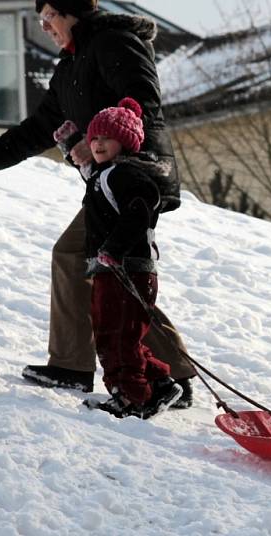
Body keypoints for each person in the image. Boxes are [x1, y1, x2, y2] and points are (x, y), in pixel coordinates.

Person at [0, 0, 195, 406]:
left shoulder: (113, 42)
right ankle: (173, 373)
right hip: (110, 180)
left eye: (50, 15)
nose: (45, 26)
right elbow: (41, 126)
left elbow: (142, 100)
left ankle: (74, 365)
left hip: (136, 175)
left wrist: (102, 138)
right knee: (121, 270)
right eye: (41, 18)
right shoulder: (71, 64)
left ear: (73, 14)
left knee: (82, 258)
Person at [81, 98, 182, 418]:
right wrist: (70, 141)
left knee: (117, 336)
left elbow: (143, 204)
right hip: (116, 268)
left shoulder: (124, 174)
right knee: (119, 333)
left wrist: (114, 249)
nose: (97, 144)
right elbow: (87, 170)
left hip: (128, 269)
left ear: (124, 143)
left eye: (106, 139)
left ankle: (132, 397)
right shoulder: (107, 173)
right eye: (94, 138)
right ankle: (158, 383)